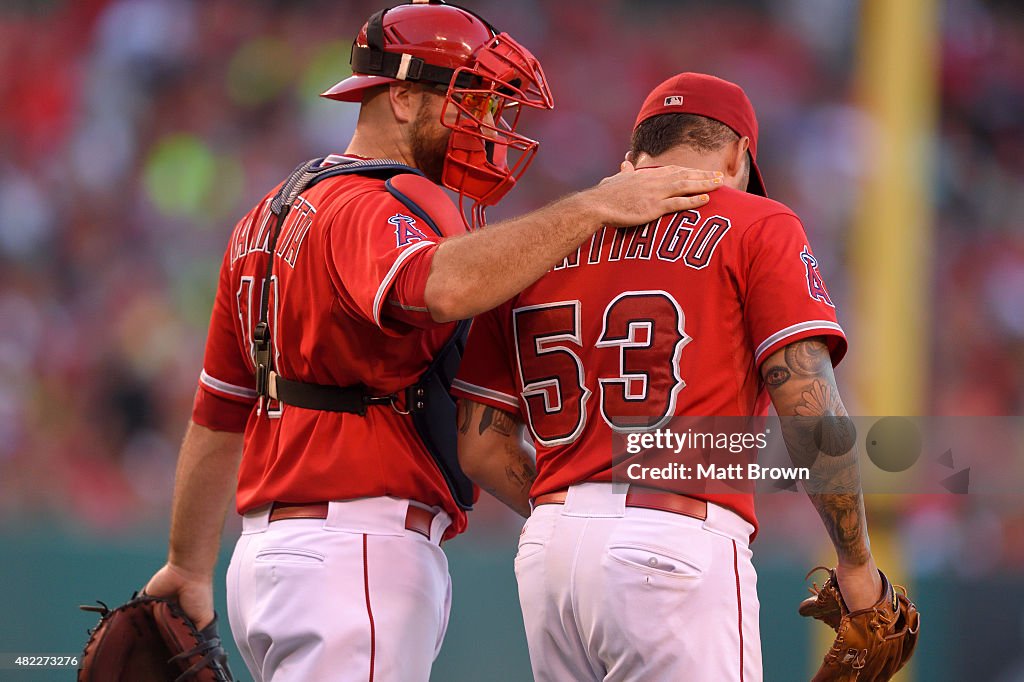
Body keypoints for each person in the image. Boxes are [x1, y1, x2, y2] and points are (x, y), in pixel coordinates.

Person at [141, 3, 722, 681]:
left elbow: (219, 411)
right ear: (404, 97)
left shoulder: (262, 218)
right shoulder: (372, 205)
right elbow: (438, 287)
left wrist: (188, 561)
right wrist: (594, 205)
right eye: (471, 102)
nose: (489, 127)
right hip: (353, 550)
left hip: (271, 561)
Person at [453, 72, 885, 681]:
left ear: (635, 156)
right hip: (675, 542)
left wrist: (582, 517)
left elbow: (480, 447)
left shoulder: (538, 239)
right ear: (738, 153)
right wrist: (857, 565)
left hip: (549, 551)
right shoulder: (758, 222)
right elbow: (810, 408)